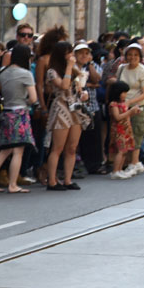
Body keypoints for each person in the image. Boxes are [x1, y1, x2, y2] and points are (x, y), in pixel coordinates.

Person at [0, 43, 38, 193]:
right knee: (18, 151)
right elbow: (33, 98)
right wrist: (26, 102)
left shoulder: (2, 73)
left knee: (4, 150)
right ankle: (13, 184)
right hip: (20, 112)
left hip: (5, 112)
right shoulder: (25, 74)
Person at [44, 40, 90, 190]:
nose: (71, 55)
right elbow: (63, 86)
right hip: (61, 107)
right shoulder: (52, 71)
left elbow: (77, 87)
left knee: (72, 147)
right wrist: (70, 67)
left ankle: (68, 180)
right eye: (68, 52)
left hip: (74, 108)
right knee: (57, 147)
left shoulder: (74, 70)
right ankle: (52, 180)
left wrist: (83, 94)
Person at [112, 42, 144, 174]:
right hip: (122, 105)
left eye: (135, 55)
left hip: (138, 106)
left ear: (140, 56)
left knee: (137, 132)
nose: (132, 57)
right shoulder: (122, 68)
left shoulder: (143, 71)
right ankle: (129, 162)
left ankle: (134, 162)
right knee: (125, 134)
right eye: (130, 54)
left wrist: (129, 103)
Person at [107, 82, 138, 178]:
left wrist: (133, 112)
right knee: (120, 150)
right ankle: (115, 170)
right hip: (118, 130)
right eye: (123, 92)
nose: (125, 95)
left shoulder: (123, 103)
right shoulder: (113, 104)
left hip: (126, 129)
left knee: (125, 150)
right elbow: (117, 117)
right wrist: (130, 112)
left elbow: (126, 115)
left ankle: (120, 169)